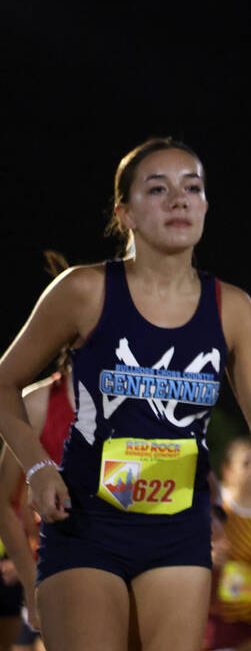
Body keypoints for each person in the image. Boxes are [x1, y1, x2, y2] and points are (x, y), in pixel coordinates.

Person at [0, 138, 251, 651]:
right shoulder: (85, 290)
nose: (179, 200)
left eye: (193, 188)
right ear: (126, 213)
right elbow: (4, 381)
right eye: (157, 189)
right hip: (87, 525)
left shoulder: (234, 309)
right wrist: (36, 466)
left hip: (178, 530)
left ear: (205, 206)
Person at [0, 253, 76, 649]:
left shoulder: (141, 404)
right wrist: (32, 583)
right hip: (56, 570)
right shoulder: (38, 403)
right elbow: (3, 501)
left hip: (127, 566)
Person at [205, 438, 251, 651]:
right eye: (247, 463)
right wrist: (208, 558)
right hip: (218, 617)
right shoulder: (213, 511)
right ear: (227, 470)